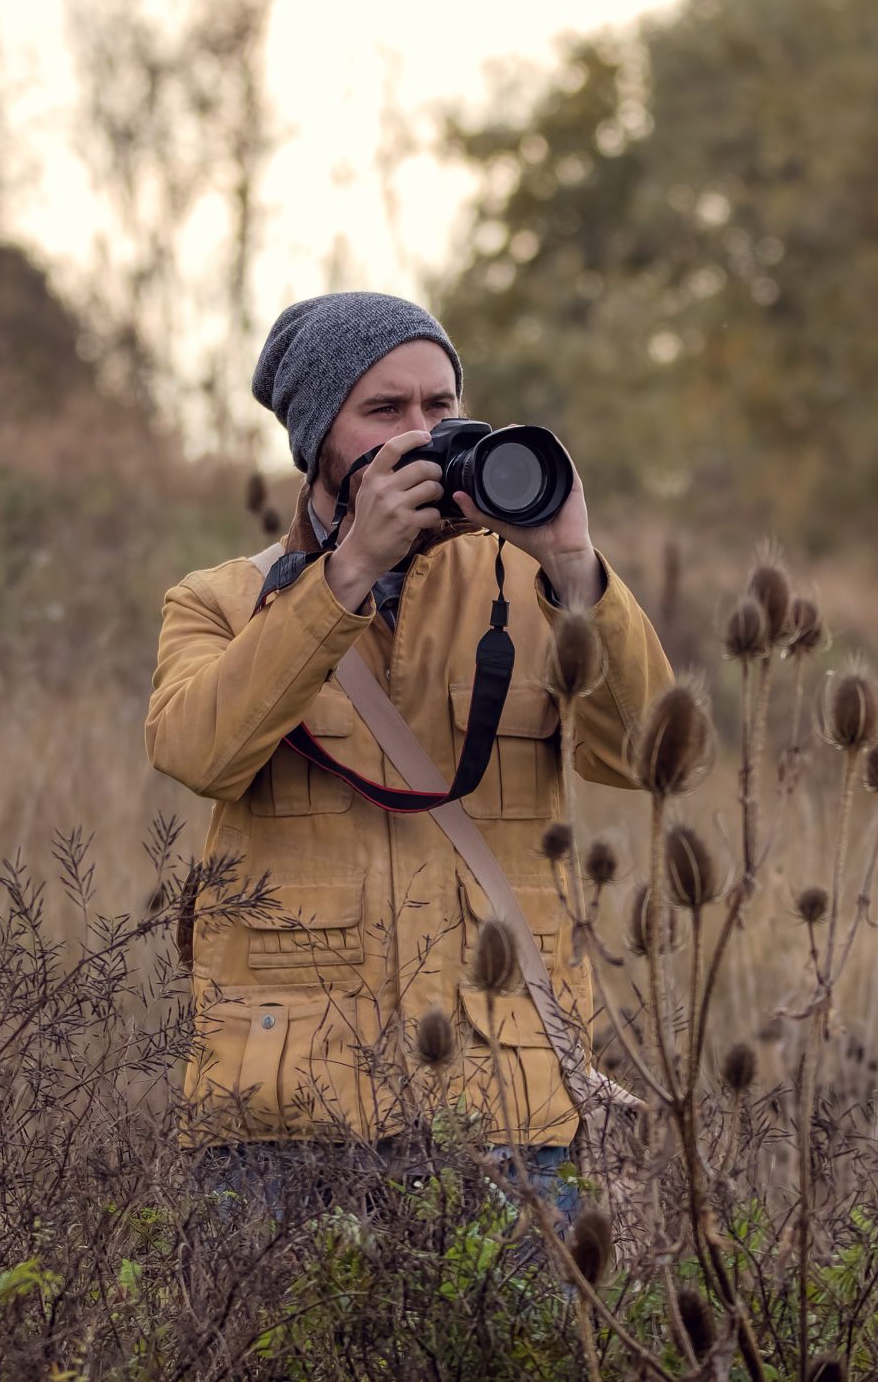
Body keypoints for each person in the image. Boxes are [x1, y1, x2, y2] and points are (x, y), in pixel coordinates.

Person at [145, 292, 675, 1210]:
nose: (424, 433)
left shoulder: (533, 584)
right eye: (385, 410)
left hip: (507, 1103)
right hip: (284, 1116)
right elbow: (201, 752)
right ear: (318, 441)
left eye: (443, 406)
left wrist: (575, 567)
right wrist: (342, 578)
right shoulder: (220, 602)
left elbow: (650, 758)